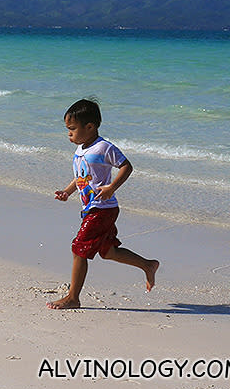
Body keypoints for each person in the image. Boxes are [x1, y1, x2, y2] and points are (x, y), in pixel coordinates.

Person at [48, 99, 159, 310]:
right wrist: (67, 192)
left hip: (102, 209)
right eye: (67, 130)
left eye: (72, 129)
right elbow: (81, 177)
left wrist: (111, 188)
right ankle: (148, 265)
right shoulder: (81, 149)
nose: (69, 134)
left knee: (79, 249)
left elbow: (126, 166)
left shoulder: (103, 147)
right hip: (92, 209)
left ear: (90, 127)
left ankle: (73, 297)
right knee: (108, 252)